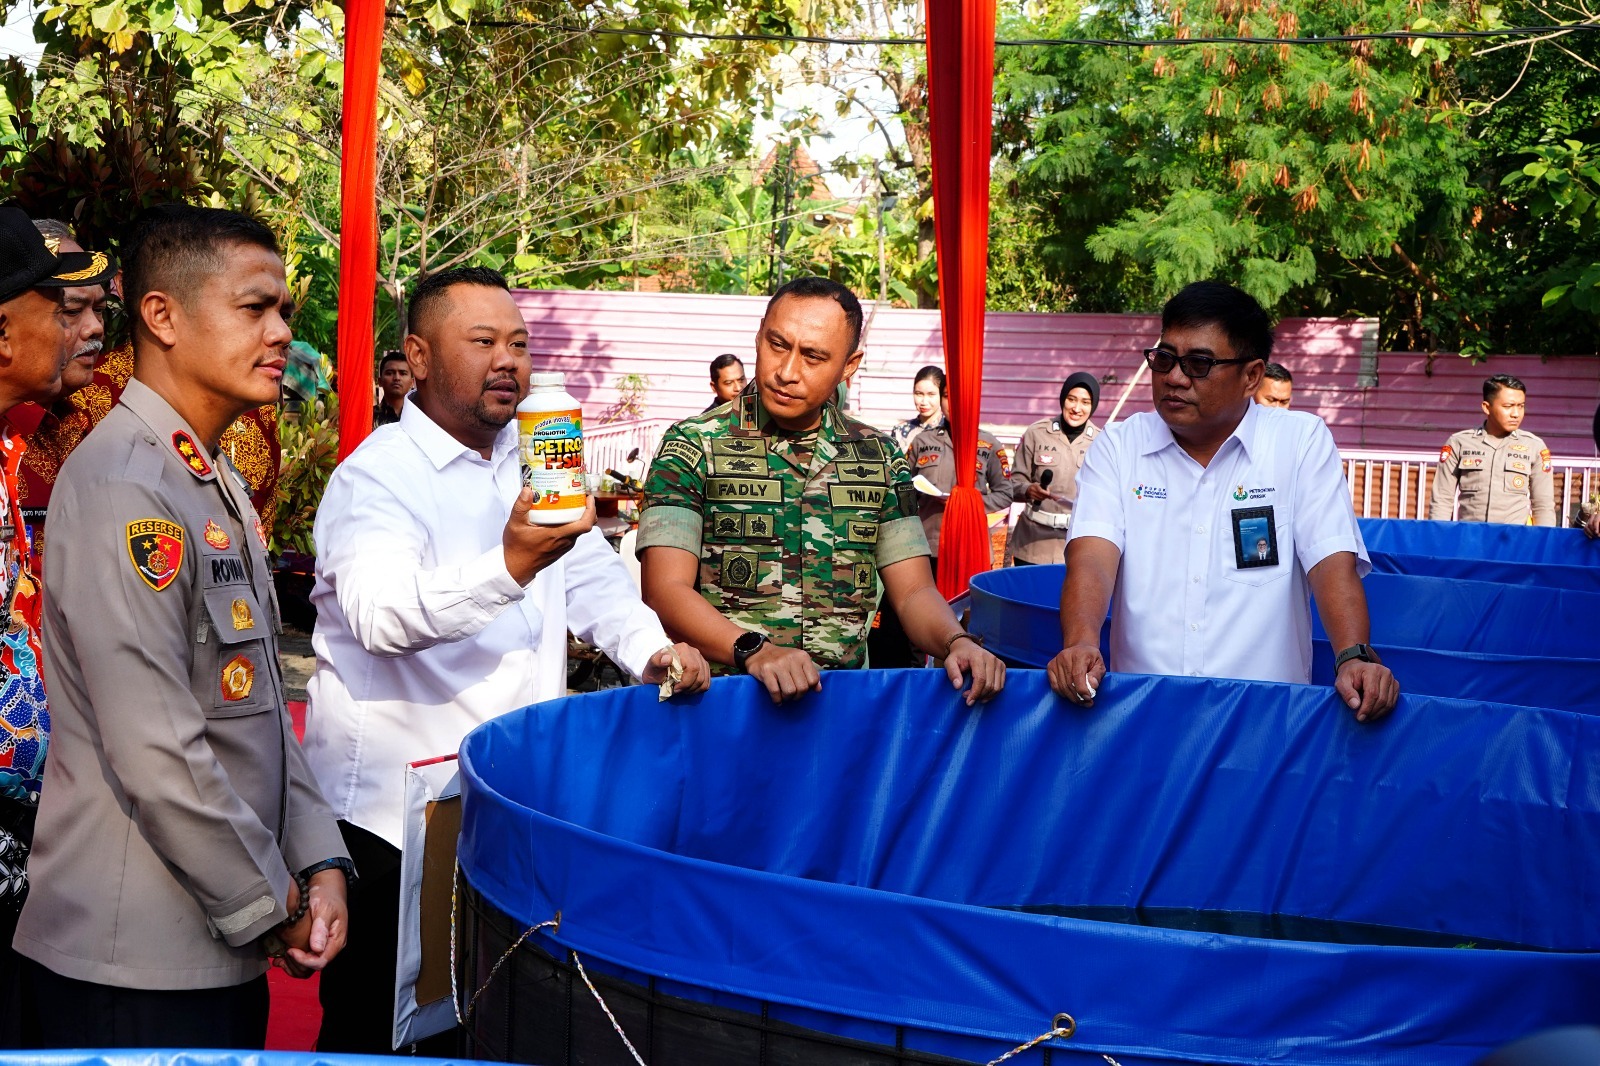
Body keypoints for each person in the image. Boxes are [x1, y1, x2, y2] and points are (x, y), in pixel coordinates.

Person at [304, 265, 708, 1054]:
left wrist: (650, 649)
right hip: (396, 817)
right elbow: (382, 616)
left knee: (483, 1015)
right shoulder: (377, 477)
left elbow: (588, 572)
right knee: (379, 1032)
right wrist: (510, 564)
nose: (509, 363)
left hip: (507, 796)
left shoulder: (527, 458)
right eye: (482, 341)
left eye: (519, 344)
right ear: (417, 358)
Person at [15, 204, 350, 1048]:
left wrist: (320, 860)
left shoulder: (206, 479)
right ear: (160, 316)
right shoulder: (129, 486)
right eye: (253, 308)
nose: (280, 332)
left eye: (283, 311)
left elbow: (262, 704)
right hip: (133, 964)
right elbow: (155, 746)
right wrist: (271, 899)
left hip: (216, 945)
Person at [636, 276, 1006, 704]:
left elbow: (914, 591)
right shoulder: (693, 445)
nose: (787, 372)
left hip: (842, 713)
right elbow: (664, 590)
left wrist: (955, 641)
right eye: (777, 344)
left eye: (813, 356)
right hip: (726, 705)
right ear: (759, 334)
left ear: (849, 365)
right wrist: (755, 651)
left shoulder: (878, 456)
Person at [1045, 281, 1399, 723]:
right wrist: (1081, 641)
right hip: (1144, 718)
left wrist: (1354, 655)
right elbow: (1092, 558)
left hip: (1266, 724)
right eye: (1165, 359)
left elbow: (1330, 560)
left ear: (1251, 376)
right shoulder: (1119, 446)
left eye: (1199, 363)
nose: (1174, 377)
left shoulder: (1298, 442)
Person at [0, 204, 116, 1047]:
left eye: (96, 308)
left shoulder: (14, 442)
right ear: (4, 331)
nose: (90, 327)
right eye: (65, 310)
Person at [903, 373, 1011, 562]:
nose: (953, 403)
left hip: (972, 543)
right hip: (930, 544)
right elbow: (902, 489)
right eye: (946, 396)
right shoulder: (922, 441)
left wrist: (967, 503)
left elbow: (1005, 493)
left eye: (960, 397)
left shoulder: (988, 443)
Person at [1428, 374, 1555, 526]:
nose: (1516, 414)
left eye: (1521, 406)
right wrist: (1437, 539)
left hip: (1514, 542)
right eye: (1508, 406)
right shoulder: (1459, 443)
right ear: (1487, 407)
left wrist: (1544, 545)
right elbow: (1442, 499)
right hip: (1471, 540)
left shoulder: (1534, 446)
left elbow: (1543, 505)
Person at [1009, 372, 1101, 565]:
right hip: (1032, 545)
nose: (1077, 408)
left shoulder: (1100, 442)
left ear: (1093, 406)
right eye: (1071, 399)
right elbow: (1012, 484)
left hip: (1076, 546)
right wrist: (1028, 490)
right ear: (1063, 399)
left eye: (1085, 402)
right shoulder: (1037, 433)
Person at [889, 365, 945, 451]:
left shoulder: (951, 431)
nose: (924, 402)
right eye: (919, 394)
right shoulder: (900, 431)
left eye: (931, 394)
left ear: (941, 395)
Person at [372, 350, 411, 426]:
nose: (397, 378)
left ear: (411, 382)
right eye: (389, 373)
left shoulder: (421, 417)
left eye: (403, 373)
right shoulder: (368, 417)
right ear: (380, 381)